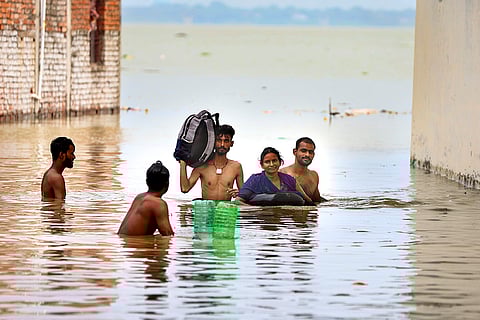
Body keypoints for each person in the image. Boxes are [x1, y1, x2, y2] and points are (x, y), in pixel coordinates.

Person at [179, 124, 244, 200]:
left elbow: (244, 194)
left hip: (225, 210)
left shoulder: (236, 167)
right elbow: (185, 188)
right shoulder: (202, 166)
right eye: (219, 140)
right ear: (213, 142)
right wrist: (182, 163)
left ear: (231, 143)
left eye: (226, 141)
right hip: (207, 210)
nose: (222, 144)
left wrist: (239, 193)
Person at [237, 147, 313, 204]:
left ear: (280, 162)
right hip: (263, 219)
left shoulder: (290, 180)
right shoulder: (255, 180)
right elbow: (238, 201)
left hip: (286, 222)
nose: (271, 164)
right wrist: (257, 211)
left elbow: (308, 201)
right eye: (267, 162)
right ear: (262, 165)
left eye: (274, 161)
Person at [118, 161, 175, 236]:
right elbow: (168, 235)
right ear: (167, 184)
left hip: (125, 243)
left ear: (147, 182)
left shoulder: (139, 197)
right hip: (134, 243)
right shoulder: (158, 204)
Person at [279, 137, 327, 203]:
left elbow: (317, 202)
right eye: (303, 151)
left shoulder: (314, 176)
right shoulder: (282, 174)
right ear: (295, 152)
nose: (307, 155)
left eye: (310, 152)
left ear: (313, 154)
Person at [41, 137, 76, 201]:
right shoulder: (56, 178)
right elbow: (59, 207)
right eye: (71, 153)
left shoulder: (48, 173)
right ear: (62, 155)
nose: (74, 157)